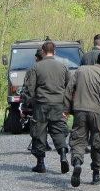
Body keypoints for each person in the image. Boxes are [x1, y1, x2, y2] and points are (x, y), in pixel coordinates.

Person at [65, 50, 100, 187]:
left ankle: (77, 162)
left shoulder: (80, 70)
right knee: (97, 143)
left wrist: (67, 109)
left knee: (78, 140)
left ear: (97, 59)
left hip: (79, 110)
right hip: (96, 112)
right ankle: (96, 174)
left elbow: (69, 89)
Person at [27, 41, 71, 173]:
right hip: (58, 104)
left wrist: (31, 102)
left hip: (41, 104)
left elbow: (30, 89)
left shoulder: (35, 67)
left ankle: (40, 163)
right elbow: (69, 87)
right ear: (55, 51)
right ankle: (63, 154)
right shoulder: (63, 67)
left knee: (39, 132)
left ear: (43, 51)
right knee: (57, 131)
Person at [22, 48, 51, 152]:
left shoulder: (33, 69)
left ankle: (37, 145)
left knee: (37, 124)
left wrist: (25, 105)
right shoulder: (52, 68)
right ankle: (45, 143)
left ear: (36, 58)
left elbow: (27, 88)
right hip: (52, 101)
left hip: (37, 101)